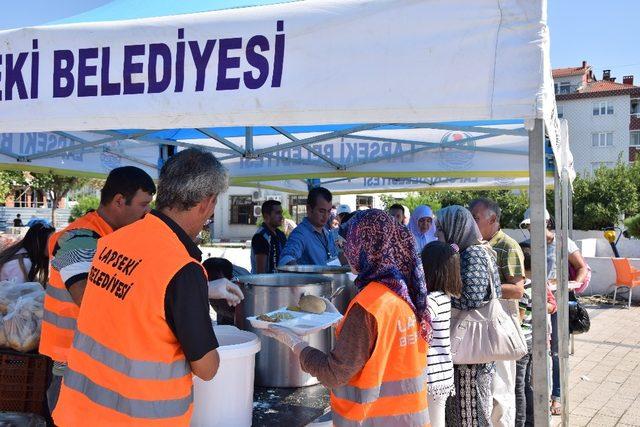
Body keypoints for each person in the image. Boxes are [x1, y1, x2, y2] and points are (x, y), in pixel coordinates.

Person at [53, 148, 244, 426]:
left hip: (79, 410)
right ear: (207, 202)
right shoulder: (182, 267)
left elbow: (136, 301)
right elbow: (206, 368)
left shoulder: (113, 241)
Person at [265, 209, 430, 425]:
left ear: (367, 248)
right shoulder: (406, 294)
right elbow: (383, 350)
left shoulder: (369, 306)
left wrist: (296, 344)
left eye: (350, 243)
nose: (346, 250)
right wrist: (341, 320)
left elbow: (334, 373)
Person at [40, 166, 156, 412]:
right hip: (72, 364)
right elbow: (88, 298)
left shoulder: (112, 236)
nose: (148, 213)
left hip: (94, 361)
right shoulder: (77, 238)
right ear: (119, 201)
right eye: (143, 205)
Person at [520, 208, 589, 416]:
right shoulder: (526, 246)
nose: (532, 229)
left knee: (557, 351)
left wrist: (574, 283)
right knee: (535, 349)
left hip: (557, 300)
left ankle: (556, 396)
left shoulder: (562, 242)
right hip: (534, 300)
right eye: (529, 226)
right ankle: (537, 394)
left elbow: (581, 267)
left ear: (547, 222)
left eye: (535, 224)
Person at [436, 205, 501, 427]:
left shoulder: (472, 254)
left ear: (455, 228)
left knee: (470, 415)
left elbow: (471, 299)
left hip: (471, 356)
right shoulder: (471, 251)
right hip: (472, 352)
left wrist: (438, 295)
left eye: (441, 229)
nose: (437, 234)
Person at [470, 198, 525, 426]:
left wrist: (482, 285)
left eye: (476, 219)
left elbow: (518, 289)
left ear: (492, 219)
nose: (472, 224)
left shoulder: (508, 246)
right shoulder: (477, 245)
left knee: (501, 392)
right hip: (484, 328)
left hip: (501, 327)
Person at [516, 243, 557, 427]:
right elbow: (551, 306)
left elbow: (520, 317)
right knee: (529, 384)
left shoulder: (523, 288)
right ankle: (532, 419)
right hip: (534, 340)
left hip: (522, 342)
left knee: (520, 386)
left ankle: (523, 421)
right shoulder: (538, 285)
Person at [421, 241, 461, 427]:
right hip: (441, 374)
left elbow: (418, 324)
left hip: (432, 375)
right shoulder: (444, 296)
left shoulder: (432, 300)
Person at [279, 187, 338, 266]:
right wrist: (301, 275)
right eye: (321, 211)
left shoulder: (327, 233)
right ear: (309, 209)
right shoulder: (300, 234)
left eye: (328, 211)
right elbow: (286, 259)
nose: (326, 216)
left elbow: (331, 263)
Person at [251, 200, 287, 274]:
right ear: (266, 216)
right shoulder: (261, 237)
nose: (281, 217)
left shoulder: (280, 234)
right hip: (266, 283)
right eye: (278, 213)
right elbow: (261, 272)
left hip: (280, 282)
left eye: (281, 213)